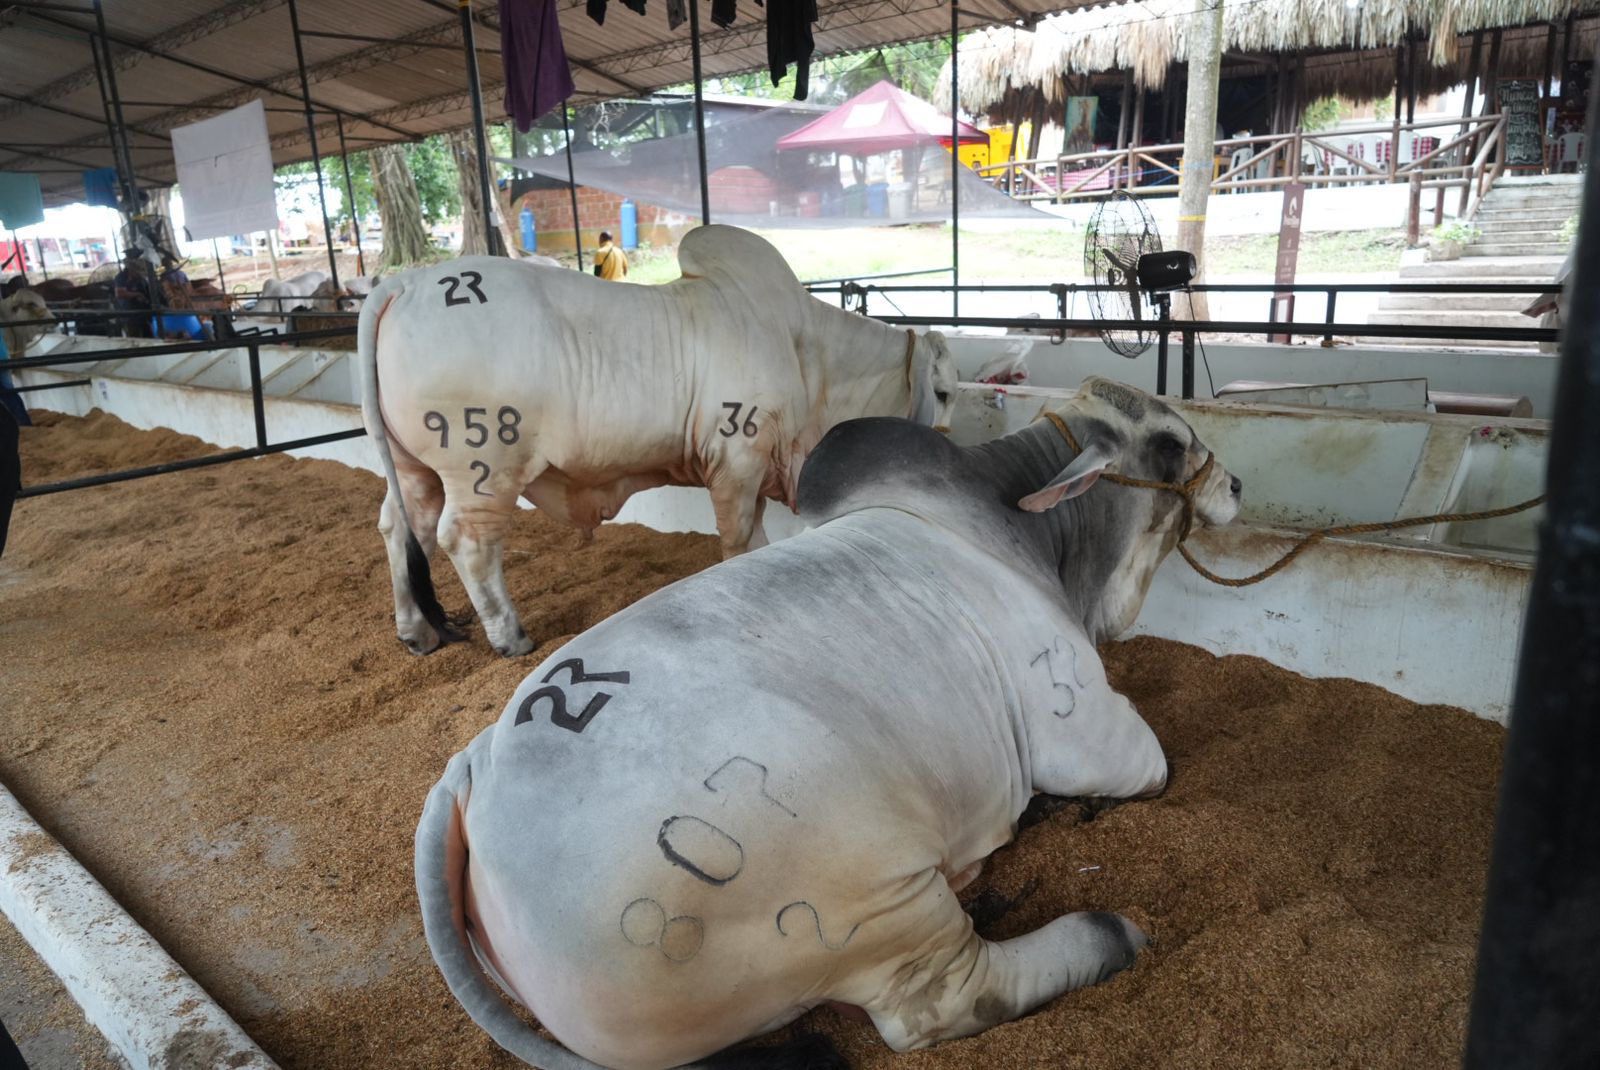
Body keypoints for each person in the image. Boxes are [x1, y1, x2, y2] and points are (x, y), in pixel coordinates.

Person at [113, 253, 153, 338]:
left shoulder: (141, 278)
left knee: (149, 337)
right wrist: (137, 294)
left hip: (144, 313)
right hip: (130, 315)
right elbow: (120, 294)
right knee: (135, 338)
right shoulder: (121, 277)